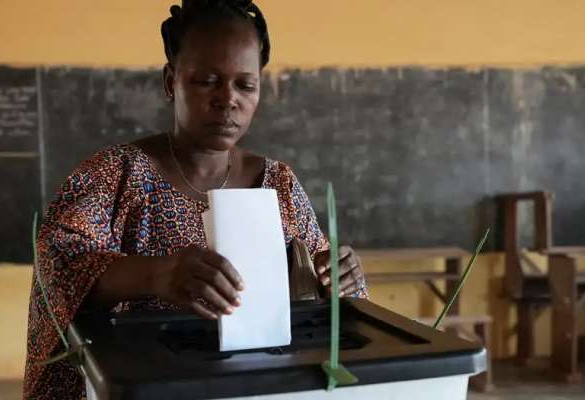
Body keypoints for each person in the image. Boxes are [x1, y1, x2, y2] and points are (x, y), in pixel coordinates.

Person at [23, 1, 368, 398]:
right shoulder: (115, 175)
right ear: (171, 82)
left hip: (258, 387)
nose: (228, 99)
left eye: (246, 84)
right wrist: (156, 275)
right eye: (207, 80)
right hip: (148, 386)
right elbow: (58, 267)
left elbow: (321, 289)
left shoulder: (278, 184)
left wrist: (340, 277)